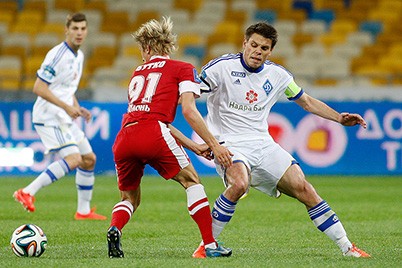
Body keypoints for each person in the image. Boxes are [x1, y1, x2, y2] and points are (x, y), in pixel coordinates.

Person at [192, 21, 371, 258]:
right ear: (244, 43)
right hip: (229, 142)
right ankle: (206, 246)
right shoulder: (220, 68)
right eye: (253, 45)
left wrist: (338, 118)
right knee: (239, 184)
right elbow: (190, 97)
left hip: (263, 144)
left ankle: (348, 247)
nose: (257, 51)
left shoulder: (278, 76)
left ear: (270, 51)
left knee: (304, 188)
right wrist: (208, 141)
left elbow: (305, 101)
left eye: (264, 48)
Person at [106, 16, 233, 258]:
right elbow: (187, 110)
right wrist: (214, 145)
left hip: (125, 136)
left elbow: (151, 119)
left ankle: (115, 228)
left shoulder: (137, 73)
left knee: (130, 197)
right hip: (153, 133)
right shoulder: (183, 68)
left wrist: (195, 146)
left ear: (147, 47)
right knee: (192, 182)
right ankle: (209, 244)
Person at [13, 12, 106, 221]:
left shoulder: (79, 56)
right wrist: (66, 107)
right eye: (75, 28)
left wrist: (77, 107)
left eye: (83, 29)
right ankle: (27, 192)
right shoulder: (57, 55)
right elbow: (39, 87)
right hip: (48, 116)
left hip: (62, 115)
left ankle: (83, 211)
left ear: (87, 30)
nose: (79, 33)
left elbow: (65, 87)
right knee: (74, 159)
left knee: (89, 159)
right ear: (67, 30)